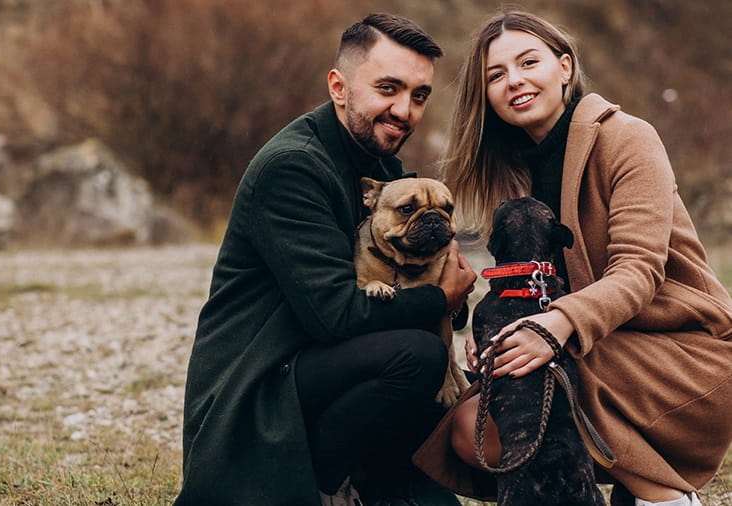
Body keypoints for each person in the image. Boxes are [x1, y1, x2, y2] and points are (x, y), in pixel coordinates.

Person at [423, 10, 732, 506]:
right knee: (470, 428)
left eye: (528, 62)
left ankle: (664, 496)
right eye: (496, 75)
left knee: (549, 366)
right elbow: (525, 291)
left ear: (564, 66)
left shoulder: (626, 137)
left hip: (684, 359)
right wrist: (498, 334)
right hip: (597, 354)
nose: (514, 80)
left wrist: (553, 327)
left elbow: (639, 271)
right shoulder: (514, 174)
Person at [175, 13, 477, 506]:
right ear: (338, 87)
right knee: (417, 355)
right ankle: (322, 483)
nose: (404, 110)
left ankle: (380, 478)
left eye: (419, 95)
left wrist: (451, 294)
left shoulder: (381, 166)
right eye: (388, 88)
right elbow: (335, 316)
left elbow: (409, 290)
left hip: (327, 366)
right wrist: (439, 297)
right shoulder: (292, 168)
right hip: (261, 384)